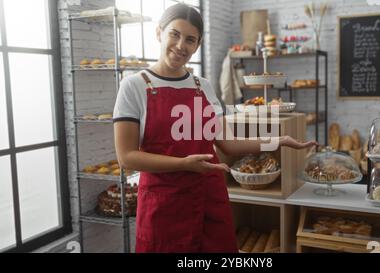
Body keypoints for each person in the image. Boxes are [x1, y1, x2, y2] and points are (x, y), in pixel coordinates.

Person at [113, 3, 317, 253]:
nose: (181, 46)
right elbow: (127, 158)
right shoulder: (134, 86)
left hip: (209, 199)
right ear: (159, 33)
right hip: (164, 206)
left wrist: (279, 140)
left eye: (190, 40)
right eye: (174, 34)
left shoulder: (203, 86)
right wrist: (183, 164)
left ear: (197, 45)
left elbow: (227, 143)